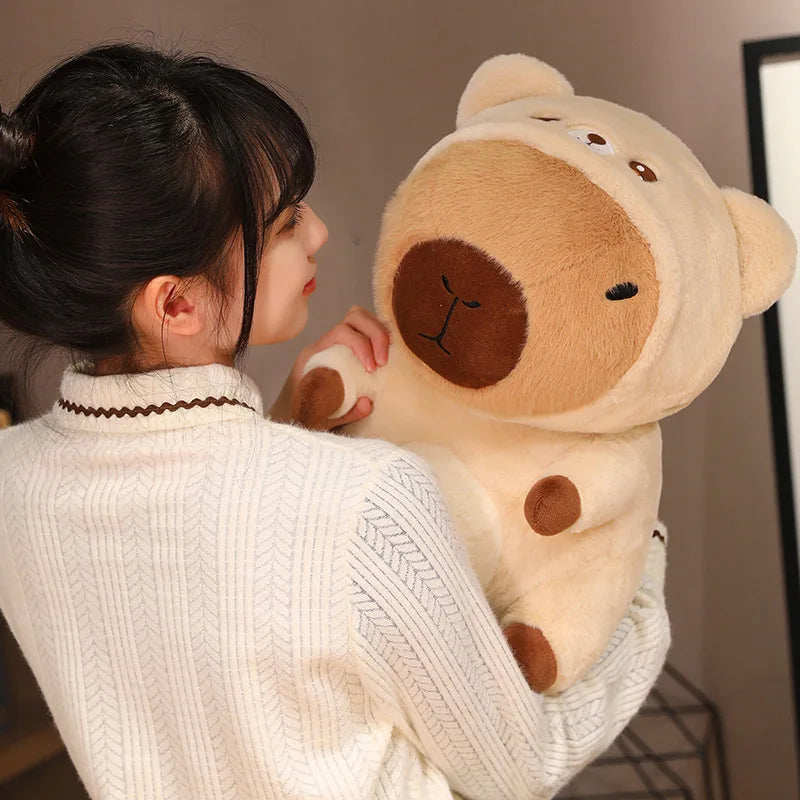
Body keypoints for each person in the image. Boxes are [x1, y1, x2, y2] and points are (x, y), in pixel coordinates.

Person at [0, 42, 670, 800]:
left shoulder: (13, 482)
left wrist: (285, 423)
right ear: (176, 303)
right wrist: (640, 572)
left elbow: (198, 633)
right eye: (285, 223)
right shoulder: (366, 501)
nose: (318, 233)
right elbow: (524, 765)